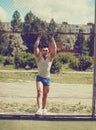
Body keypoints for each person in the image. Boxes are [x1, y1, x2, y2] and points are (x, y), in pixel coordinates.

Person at [34, 32, 57, 115]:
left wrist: (52, 38)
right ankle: (39, 109)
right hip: (40, 77)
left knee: (45, 95)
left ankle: (44, 109)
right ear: (41, 51)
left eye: (46, 50)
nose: (45, 51)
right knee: (39, 92)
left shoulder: (50, 57)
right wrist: (39, 37)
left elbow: (54, 48)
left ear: (48, 51)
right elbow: (35, 46)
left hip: (47, 78)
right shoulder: (38, 57)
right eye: (43, 50)